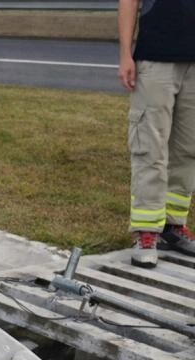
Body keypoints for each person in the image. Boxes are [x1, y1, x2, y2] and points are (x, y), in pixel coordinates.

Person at [118, 0, 195, 268]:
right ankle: (146, 229)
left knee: (189, 148)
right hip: (155, 57)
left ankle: (173, 226)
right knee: (150, 147)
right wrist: (125, 53)